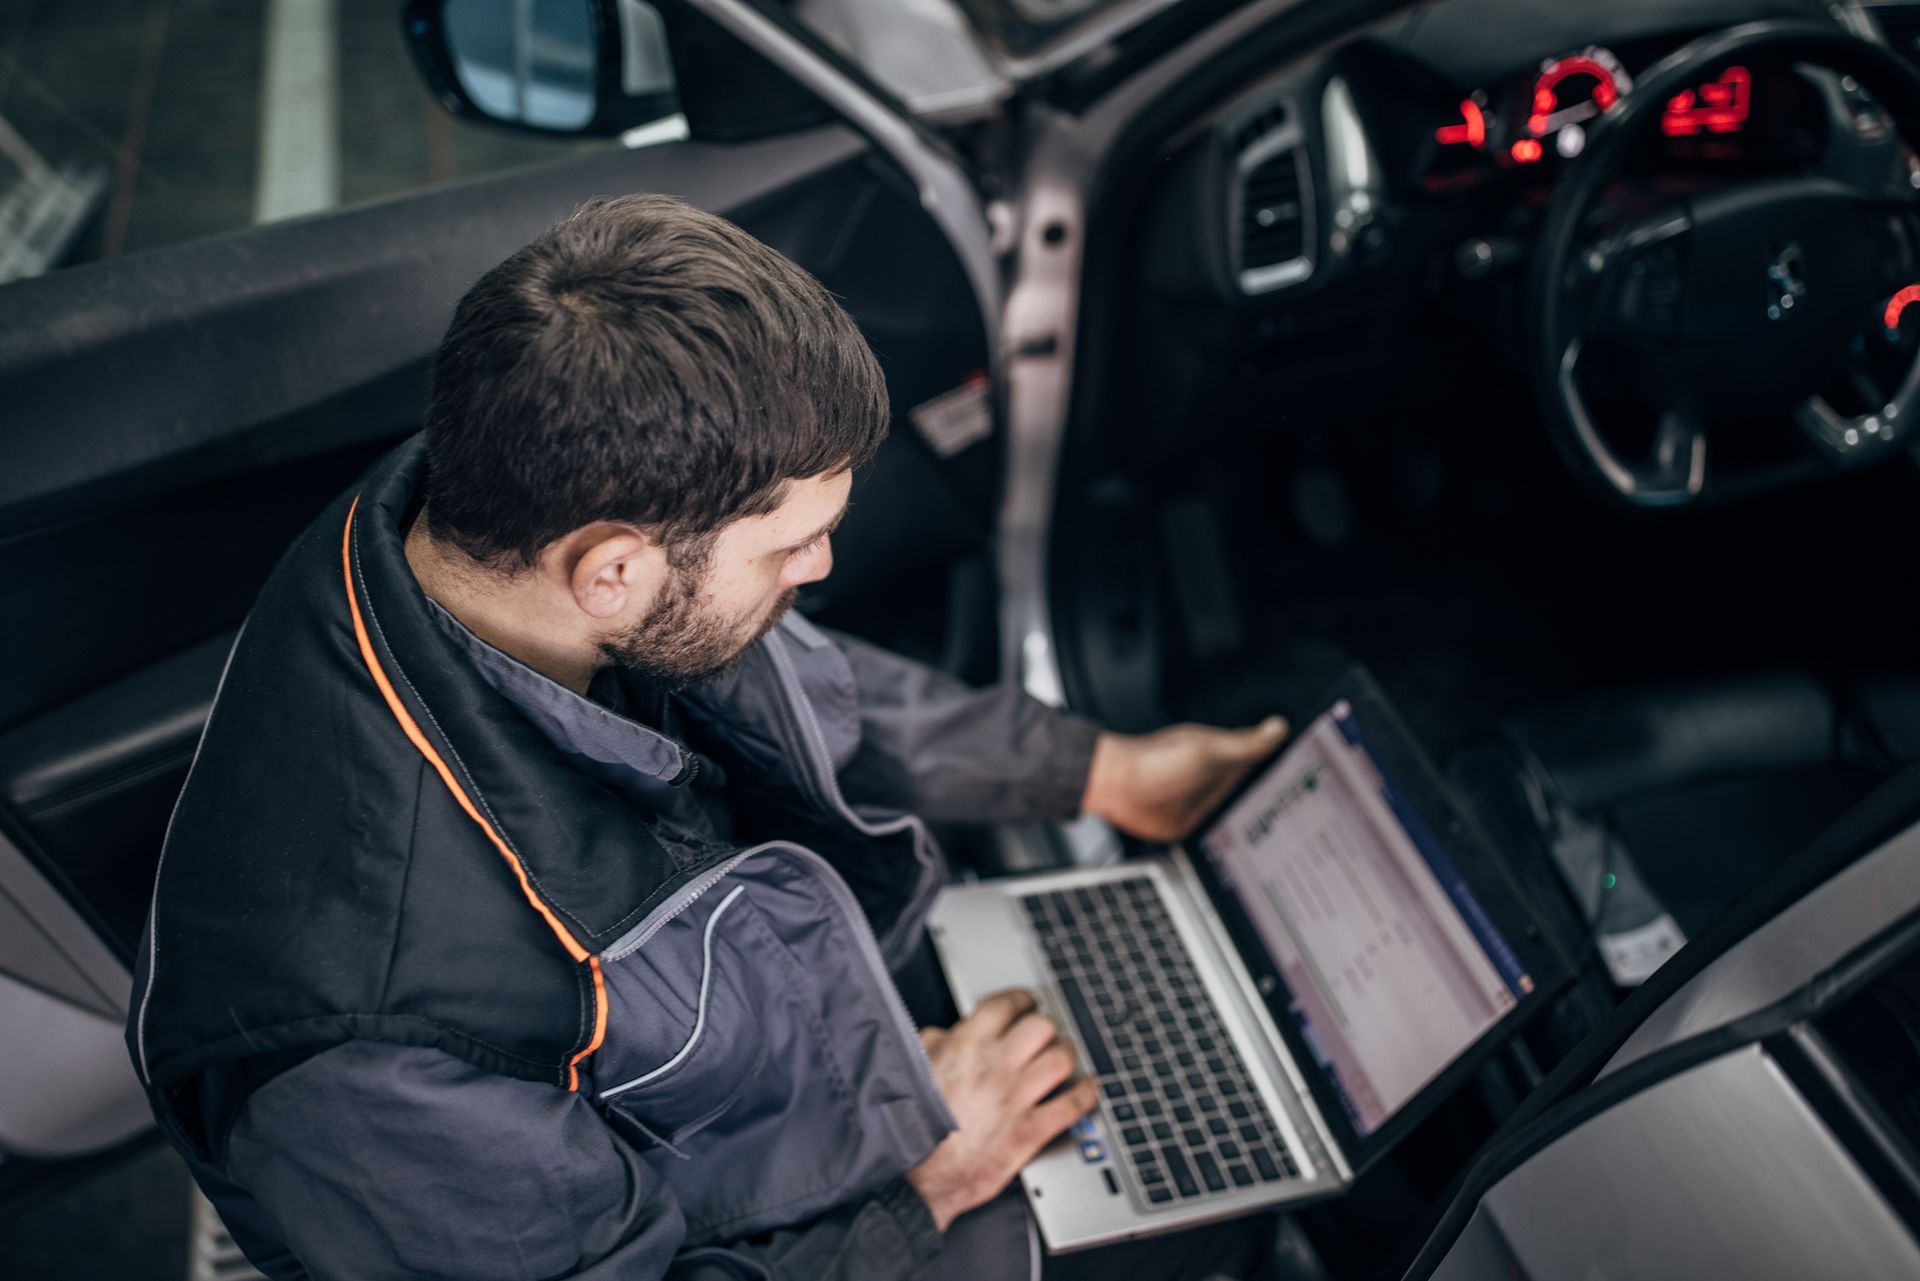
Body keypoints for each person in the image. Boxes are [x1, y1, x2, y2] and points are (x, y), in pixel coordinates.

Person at [128, 193, 1288, 1280]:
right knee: (1222, 1210)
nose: (820, 569)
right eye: (792, 548)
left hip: (792, 1067)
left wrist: (1097, 771)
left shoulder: (460, 527)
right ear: (613, 572)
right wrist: (926, 1187)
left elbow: (795, 683)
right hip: (808, 1230)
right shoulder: (371, 1057)